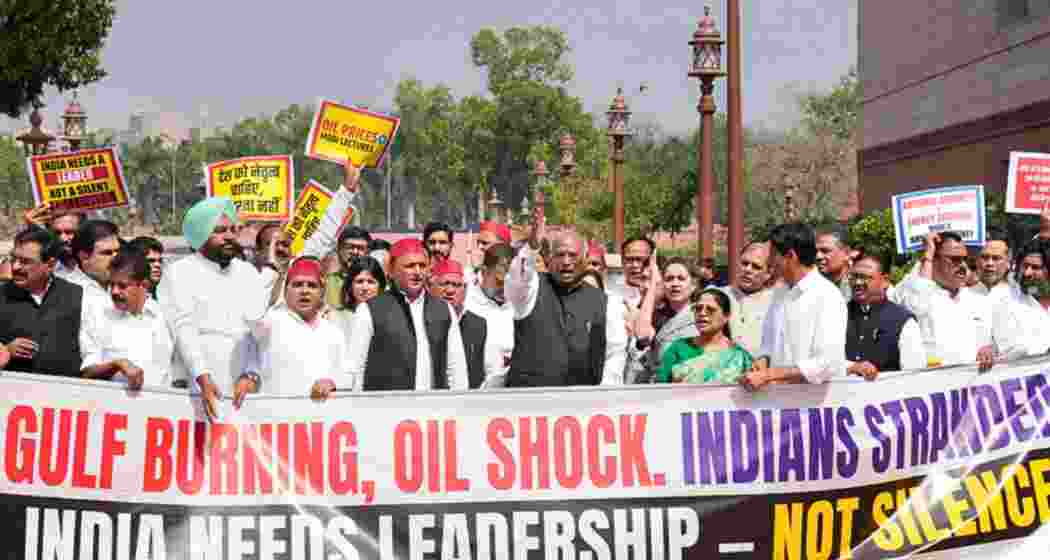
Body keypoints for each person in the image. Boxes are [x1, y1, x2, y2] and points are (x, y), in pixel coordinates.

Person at [159, 197, 272, 418]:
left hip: (243, 387)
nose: (229, 236)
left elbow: (257, 332)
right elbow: (183, 328)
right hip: (196, 381)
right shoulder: (179, 272)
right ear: (200, 234)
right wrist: (202, 376)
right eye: (219, 230)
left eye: (232, 229)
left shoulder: (247, 273)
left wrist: (251, 374)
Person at [504, 217, 627, 386]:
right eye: (560, 255)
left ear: (584, 259)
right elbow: (517, 279)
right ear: (550, 258)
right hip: (529, 403)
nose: (566, 262)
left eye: (572, 255)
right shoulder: (531, 289)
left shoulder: (605, 303)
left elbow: (615, 354)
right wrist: (532, 247)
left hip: (580, 406)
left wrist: (605, 393)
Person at [345, 239, 468, 391]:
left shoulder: (443, 310)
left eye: (422, 266)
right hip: (385, 409)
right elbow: (356, 367)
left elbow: (456, 369)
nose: (417, 272)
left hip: (433, 410)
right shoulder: (369, 310)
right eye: (410, 266)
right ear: (391, 269)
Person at [741, 223, 848, 391]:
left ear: (790, 256)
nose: (768, 262)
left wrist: (770, 375)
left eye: (772, 256)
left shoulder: (827, 296)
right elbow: (768, 345)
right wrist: (762, 361)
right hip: (779, 405)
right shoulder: (779, 293)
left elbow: (828, 364)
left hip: (815, 410)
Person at [237, 257, 349, 402]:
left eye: (312, 285)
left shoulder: (333, 333)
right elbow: (250, 315)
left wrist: (332, 383)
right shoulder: (270, 321)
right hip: (277, 418)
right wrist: (273, 273)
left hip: (320, 419)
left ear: (322, 293)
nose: (304, 291)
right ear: (285, 291)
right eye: (297, 285)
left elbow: (348, 376)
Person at [891, 232, 994, 370]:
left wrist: (986, 349)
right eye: (955, 259)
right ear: (934, 260)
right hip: (932, 384)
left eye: (964, 259)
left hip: (972, 385)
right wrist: (927, 255)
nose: (963, 265)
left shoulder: (975, 298)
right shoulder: (915, 290)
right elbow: (917, 305)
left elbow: (986, 340)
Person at [80, 248, 173, 389]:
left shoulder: (166, 317)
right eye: (112, 284)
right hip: (111, 407)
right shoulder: (97, 317)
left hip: (159, 406)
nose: (115, 291)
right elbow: (87, 373)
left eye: (122, 286)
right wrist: (117, 364)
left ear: (144, 285)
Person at [0, 228, 82, 377]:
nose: (15, 267)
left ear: (50, 265)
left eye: (25, 262)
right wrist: (6, 351)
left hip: (67, 395)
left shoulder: (77, 295)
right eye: (14, 259)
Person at [844, 253, 926, 380]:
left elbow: (914, 374)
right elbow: (824, 361)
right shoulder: (838, 314)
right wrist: (851, 367)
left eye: (866, 277)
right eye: (854, 277)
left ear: (885, 281)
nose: (858, 282)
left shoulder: (902, 320)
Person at [656, 289, 753, 384]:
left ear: (726, 316)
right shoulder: (678, 348)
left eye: (710, 309)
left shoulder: (740, 357)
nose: (702, 313)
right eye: (698, 309)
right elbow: (659, 389)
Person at [629, 257, 700, 383]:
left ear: (693, 285)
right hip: (661, 387)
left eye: (681, 279)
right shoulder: (656, 316)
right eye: (669, 279)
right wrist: (652, 287)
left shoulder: (703, 314)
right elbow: (642, 336)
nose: (675, 284)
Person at [465, 243, 516, 388]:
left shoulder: (518, 307)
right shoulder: (467, 302)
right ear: (484, 271)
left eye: (511, 283)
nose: (505, 289)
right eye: (499, 281)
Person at [431, 258, 488, 389]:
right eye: (444, 284)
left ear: (466, 289)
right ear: (430, 286)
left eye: (457, 285)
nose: (450, 290)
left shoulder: (478, 324)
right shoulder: (422, 319)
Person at [989, 239, 1050, 359]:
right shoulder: (1002, 298)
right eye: (1025, 266)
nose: (1027, 273)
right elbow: (1011, 350)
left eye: (1035, 268)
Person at [719, 241, 776, 355]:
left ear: (768, 273)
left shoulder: (776, 302)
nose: (748, 270)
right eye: (744, 263)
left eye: (756, 267)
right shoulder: (718, 296)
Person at [66, 219, 121, 305]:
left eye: (118, 251)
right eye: (107, 253)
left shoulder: (126, 285)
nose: (116, 258)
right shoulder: (67, 293)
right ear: (84, 256)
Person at [23, 204, 83, 281]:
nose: (62, 238)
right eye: (57, 233)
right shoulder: (45, 266)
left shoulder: (95, 263)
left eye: (69, 232)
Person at [970, 228, 1013, 304]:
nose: (989, 263)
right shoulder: (960, 299)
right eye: (984, 257)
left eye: (996, 258)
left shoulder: (1021, 302)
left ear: (1008, 262)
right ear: (976, 260)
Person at [469, 221, 511, 286]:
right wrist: (475, 270)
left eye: (485, 243)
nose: (479, 247)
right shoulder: (471, 270)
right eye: (478, 242)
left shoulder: (513, 274)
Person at [815, 226, 852, 300]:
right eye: (815, 251)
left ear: (846, 253)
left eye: (825, 251)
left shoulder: (859, 289)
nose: (818, 256)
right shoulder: (810, 286)